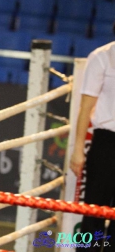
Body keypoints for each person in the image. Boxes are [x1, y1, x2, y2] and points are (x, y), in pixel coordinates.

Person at [70, 41, 115, 252]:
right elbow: (85, 107)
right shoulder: (101, 56)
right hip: (106, 142)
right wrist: (78, 150)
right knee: (94, 213)